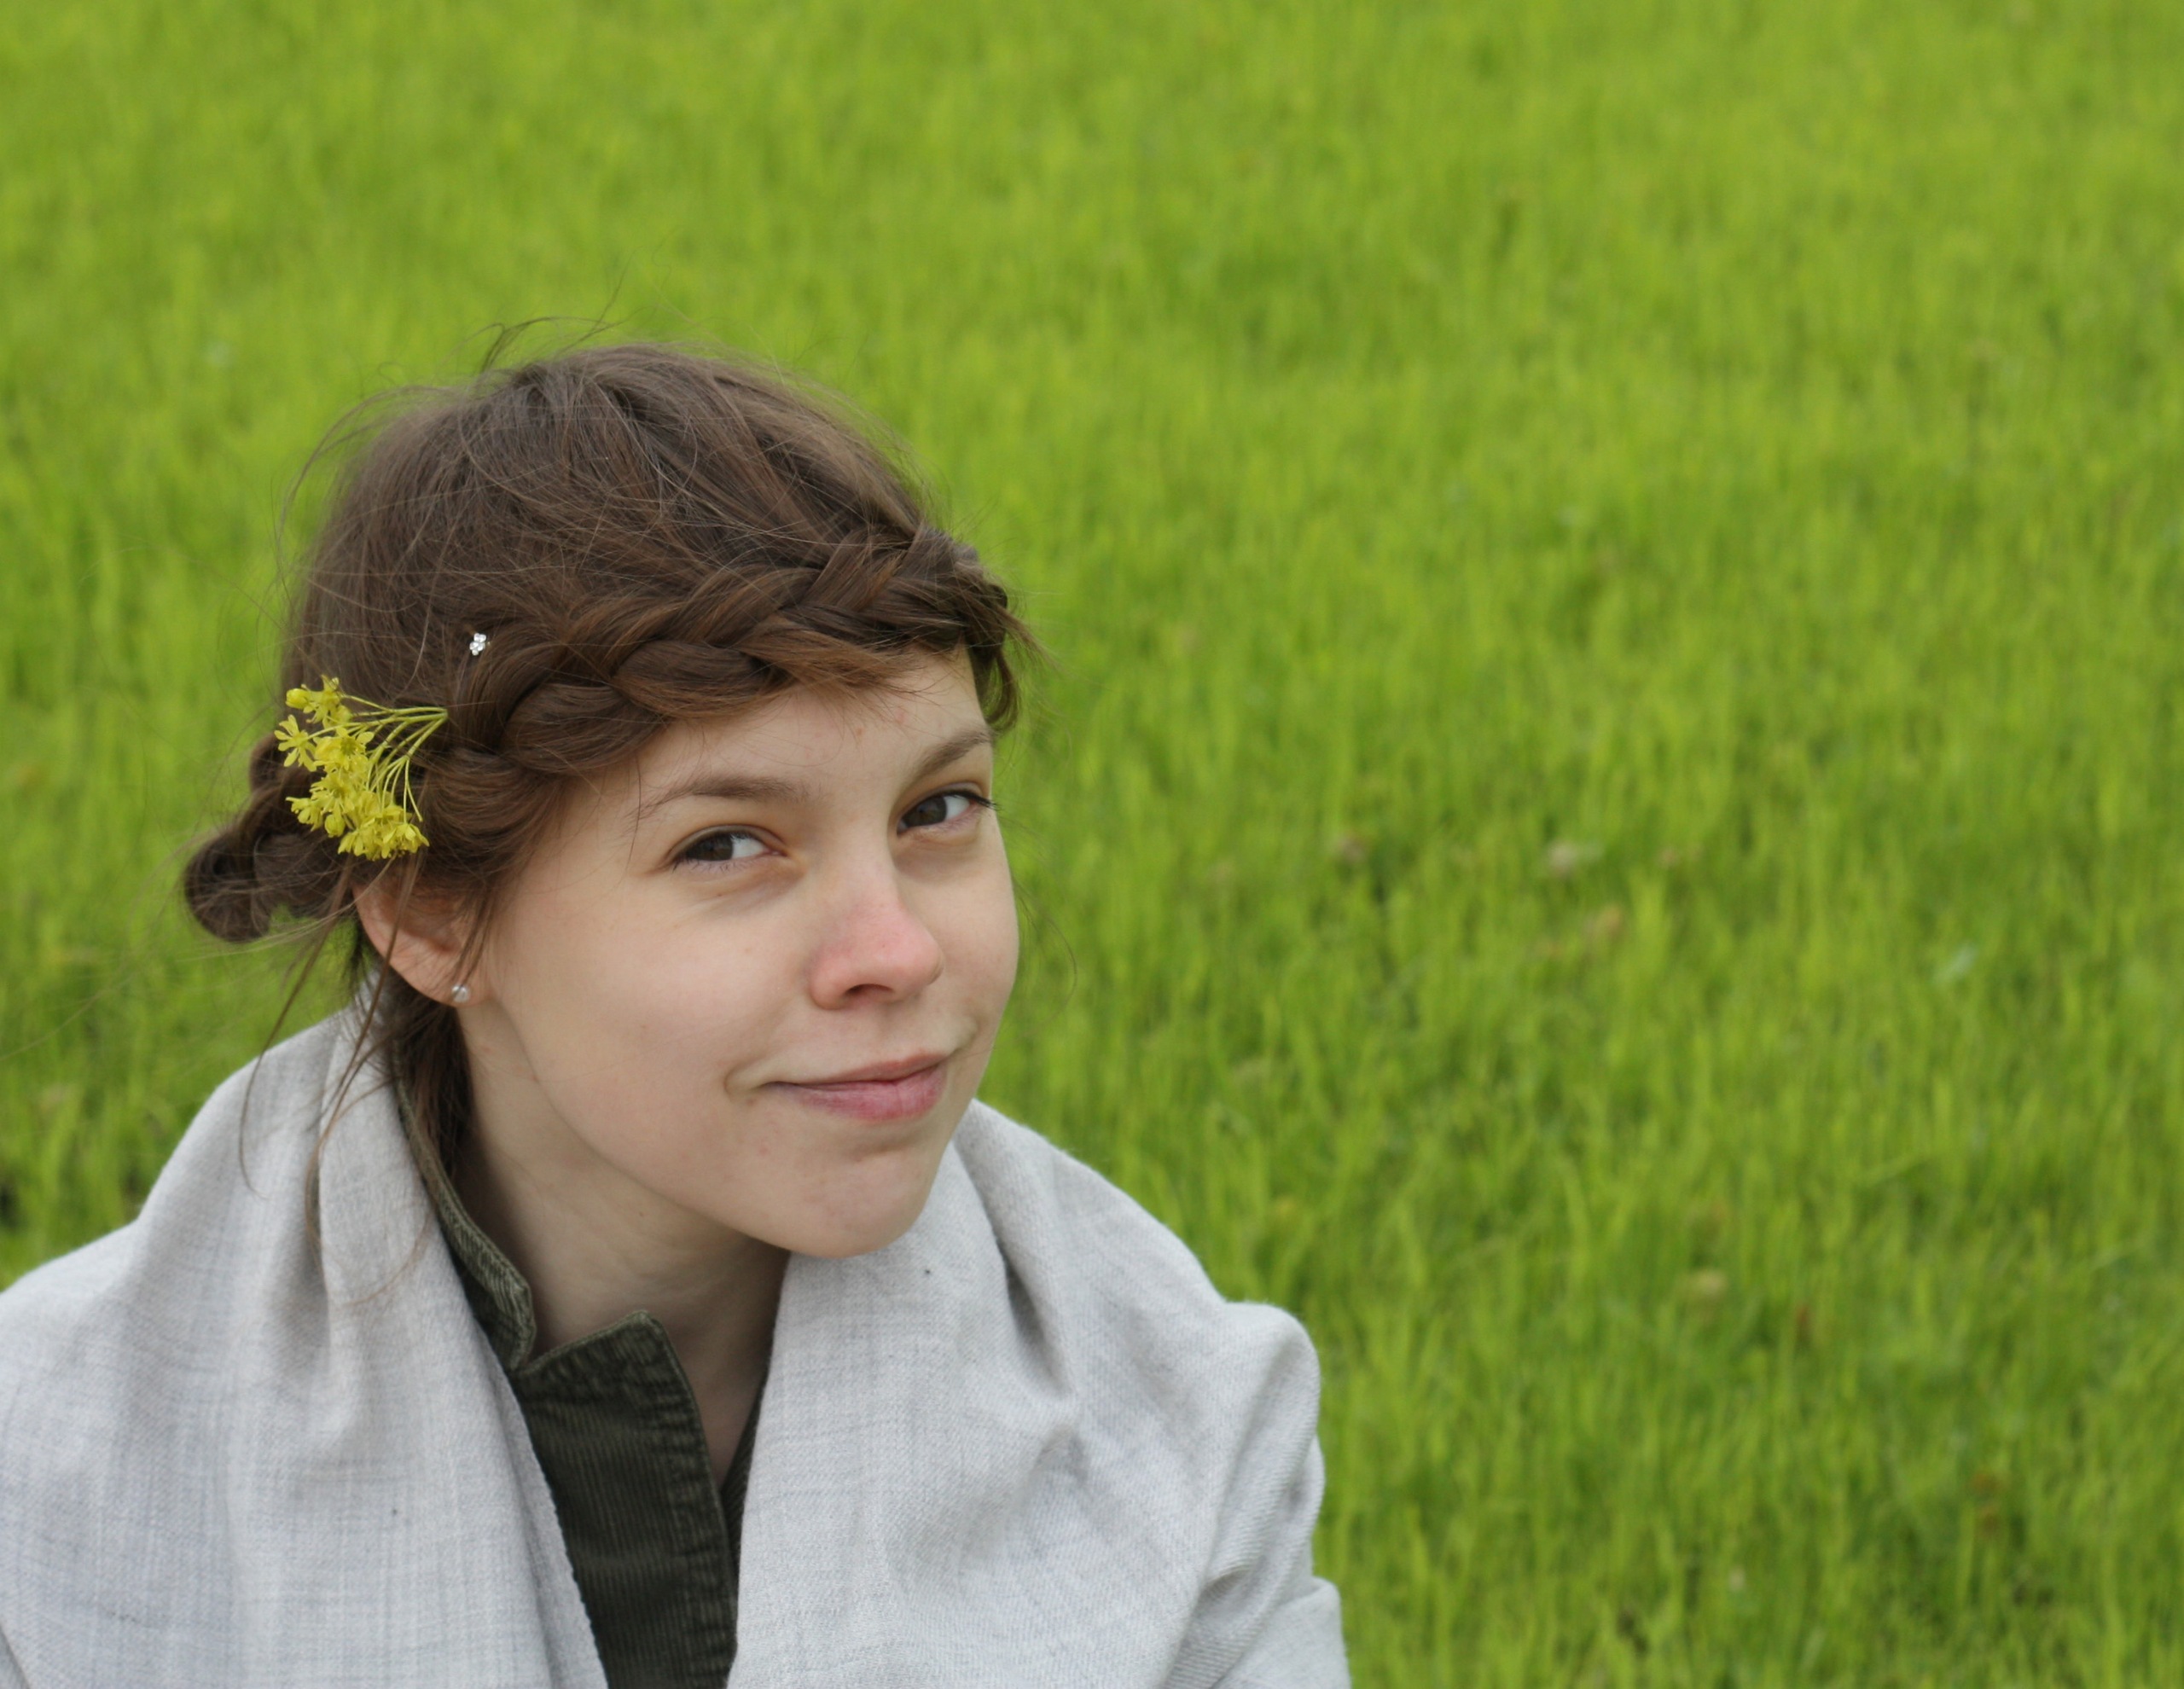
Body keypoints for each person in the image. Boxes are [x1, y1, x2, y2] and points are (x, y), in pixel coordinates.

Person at [0, 345, 1347, 1688]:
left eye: (937, 809)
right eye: (727, 845)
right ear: (430, 913)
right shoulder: (57, 1487)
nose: (896, 951)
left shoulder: (1177, 1426)